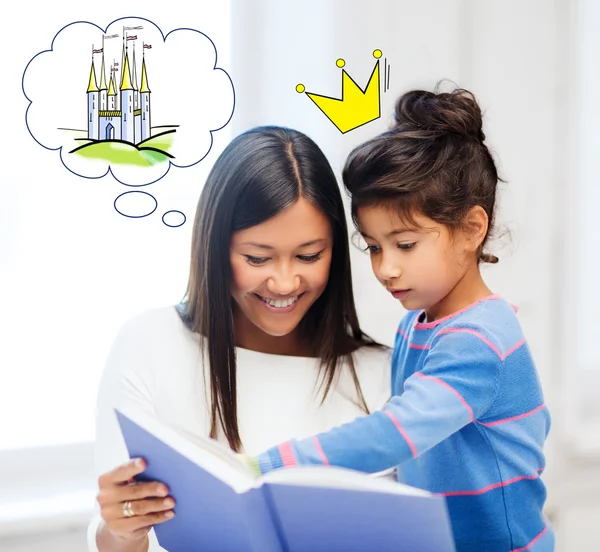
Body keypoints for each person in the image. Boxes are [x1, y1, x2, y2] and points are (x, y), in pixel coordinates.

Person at [244, 89, 555, 552]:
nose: (386, 267)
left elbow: (396, 434)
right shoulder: (419, 324)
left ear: (471, 229)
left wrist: (269, 466)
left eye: (405, 244)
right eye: (373, 246)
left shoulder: (480, 339)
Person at [87, 126, 392, 552]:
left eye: (309, 255)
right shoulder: (149, 345)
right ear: (215, 248)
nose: (285, 282)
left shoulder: (382, 375)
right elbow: (122, 537)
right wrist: (120, 531)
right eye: (257, 257)